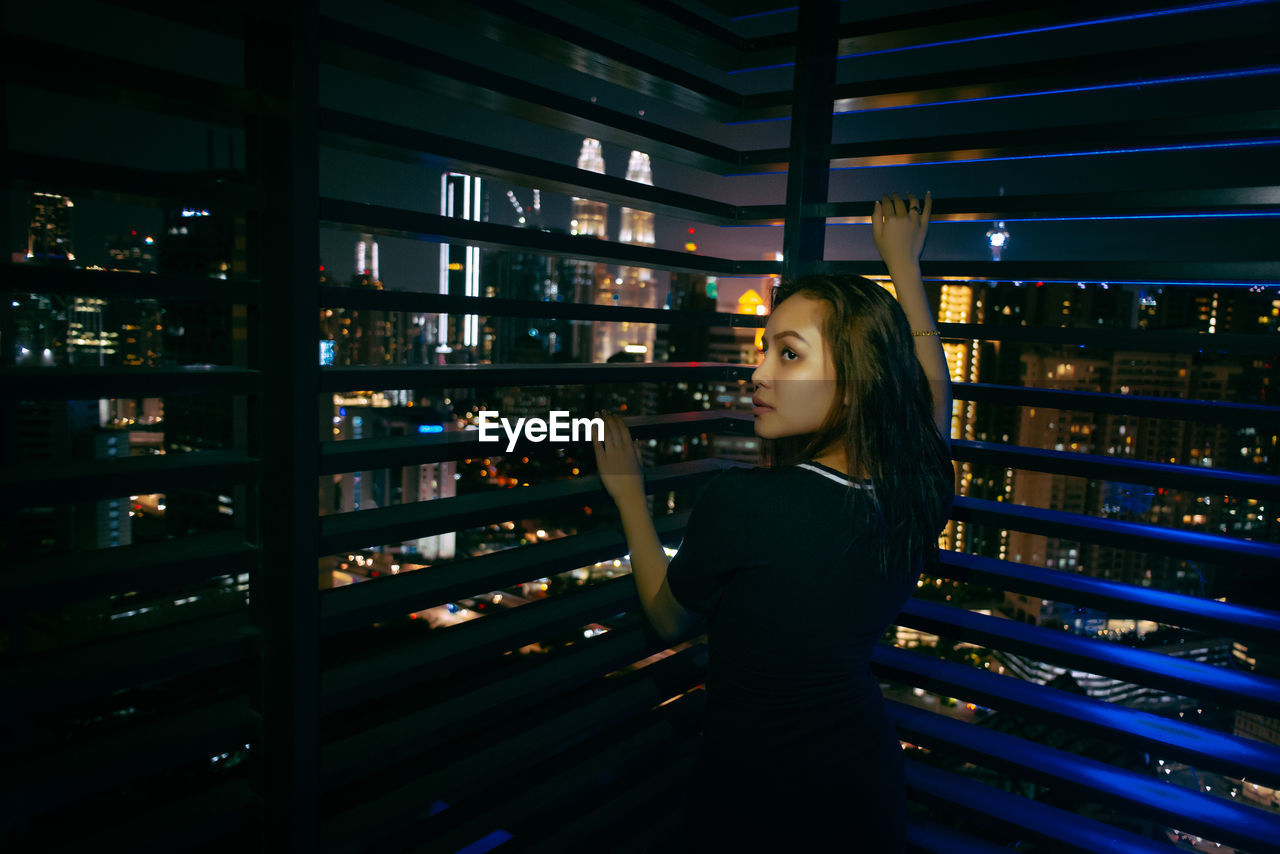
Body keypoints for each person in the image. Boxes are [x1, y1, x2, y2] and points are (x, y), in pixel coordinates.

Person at [591, 192, 954, 851]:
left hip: (761, 795)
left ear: (855, 380)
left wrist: (630, 501)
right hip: (864, 783)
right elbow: (932, 392)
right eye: (764, 351)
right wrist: (903, 264)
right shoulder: (918, 484)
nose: (756, 373)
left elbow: (670, 618)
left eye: (788, 355)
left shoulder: (750, 503)